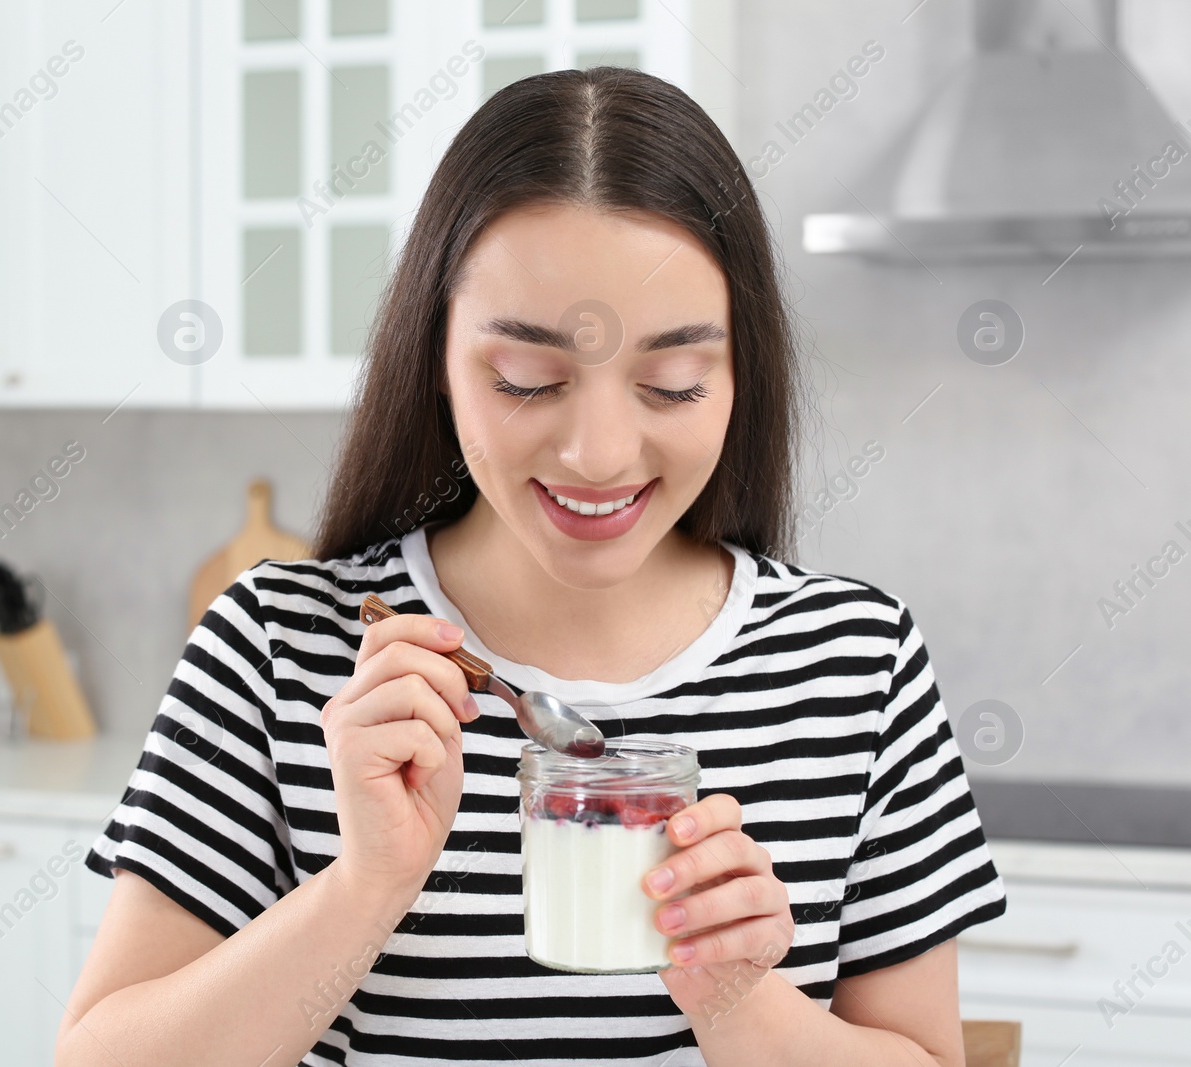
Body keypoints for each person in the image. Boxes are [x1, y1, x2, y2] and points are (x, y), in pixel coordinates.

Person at [57, 65, 1006, 1066]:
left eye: (672, 383)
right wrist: (365, 883)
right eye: (528, 378)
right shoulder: (280, 650)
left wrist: (739, 1003)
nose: (597, 452)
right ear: (433, 355)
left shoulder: (856, 662)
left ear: (740, 372)